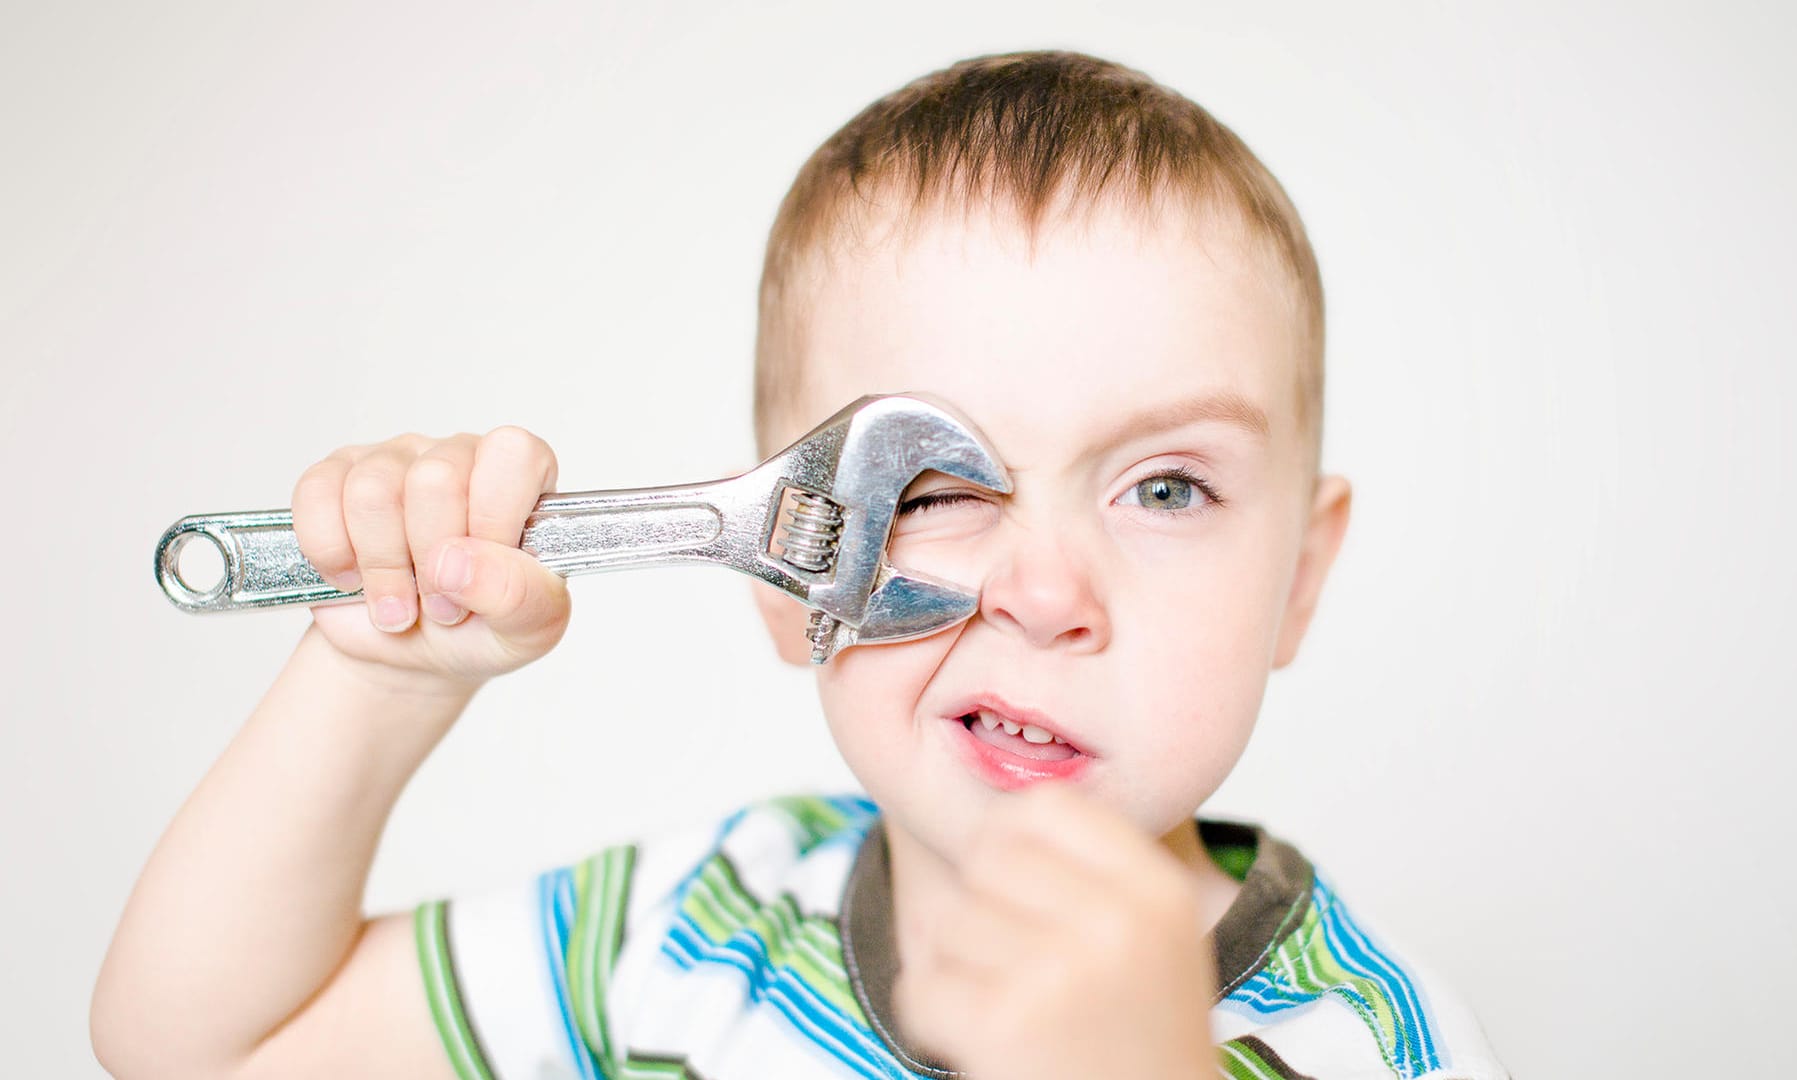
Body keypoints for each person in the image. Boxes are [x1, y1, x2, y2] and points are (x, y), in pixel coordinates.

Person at [92, 50, 1507, 1080]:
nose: (1046, 594)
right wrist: (381, 671)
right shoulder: (701, 929)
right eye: (943, 489)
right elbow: (211, 1049)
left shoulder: (1377, 1046)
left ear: (1298, 580)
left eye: (1167, 486)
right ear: (790, 567)